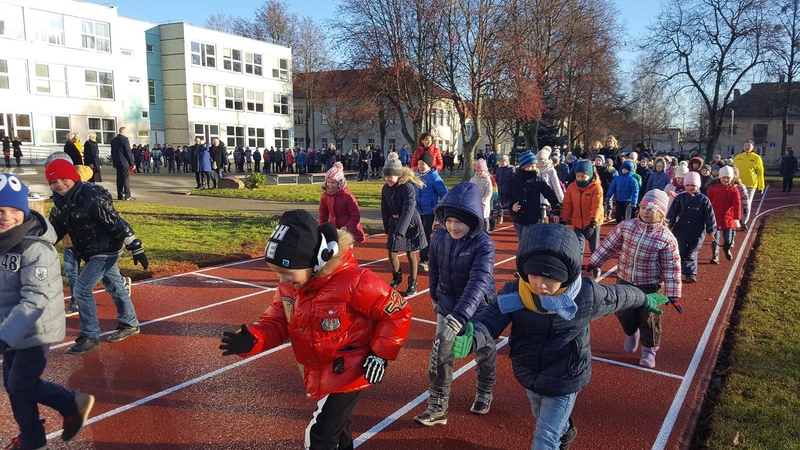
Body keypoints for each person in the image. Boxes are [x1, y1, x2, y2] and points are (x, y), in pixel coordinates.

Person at [465, 223, 670, 450]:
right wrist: (473, 336)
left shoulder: (586, 295)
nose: (540, 285)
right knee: (538, 411)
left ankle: (558, 435)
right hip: (528, 369)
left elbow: (619, 295)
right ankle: (566, 431)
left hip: (566, 375)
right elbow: (490, 318)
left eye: (550, 277)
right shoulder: (515, 293)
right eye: (534, 276)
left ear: (566, 275)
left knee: (544, 438)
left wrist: (643, 298)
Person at [219, 210, 411, 450]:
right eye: (278, 274)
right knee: (339, 432)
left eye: (287, 273)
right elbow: (277, 322)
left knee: (320, 435)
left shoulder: (354, 281)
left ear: (317, 259)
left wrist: (380, 353)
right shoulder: (291, 287)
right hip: (321, 368)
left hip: (351, 370)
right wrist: (254, 338)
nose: (283, 280)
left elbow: (397, 312)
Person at [0, 174, 97, 450]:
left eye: (14, 211)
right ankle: (32, 439)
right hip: (9, 326)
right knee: (14, 385)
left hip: (33, 328)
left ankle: (73, 403)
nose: (6, 218)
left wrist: (5, 336)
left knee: (21, 384)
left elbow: (36, 299)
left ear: (25, 211)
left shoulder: (35, 249)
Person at [413, 182, 497, 426]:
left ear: (472, 220)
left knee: (484, 351)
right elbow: (435, 272)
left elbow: (478, 282)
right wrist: (436, 300)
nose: (452, 226)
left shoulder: (483, 245)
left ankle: (484, 390)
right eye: (449, 221)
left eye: (458, 221)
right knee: (441, 352)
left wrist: (462, 315)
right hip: (449, 306)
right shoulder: (440, 236)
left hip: (478, 308)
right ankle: (438, 405)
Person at [46, 159, 147, 354]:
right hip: (89, 251)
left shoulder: (91, 197)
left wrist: (135, 245)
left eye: (63, 179)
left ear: (74, 178)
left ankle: (90, 335)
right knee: (115, 285)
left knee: (82, 289)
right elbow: (55, 228)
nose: (59, 184)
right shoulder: (59, 201)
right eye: (53, 181)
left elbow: (115, 221)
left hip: (106, 250)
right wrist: (40, 243)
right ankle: (130, 323)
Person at [588, 190, 682, 368]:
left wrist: (673, 294)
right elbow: (609, 245)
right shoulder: (626, 226)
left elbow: (672, 267)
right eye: (643, 207)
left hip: (650, 285)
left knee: (649, 317)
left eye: (651, 209)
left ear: (661, 213)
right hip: (625, 280)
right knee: (623, 312)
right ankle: (631, 333)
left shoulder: (665, 237)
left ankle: (649, 350)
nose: (646, 211)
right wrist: (594, 263)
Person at [381, 152, 427, 296]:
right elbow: (384, 208)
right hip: (395, 223)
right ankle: (397, 276)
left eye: (391, 176)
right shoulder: (386, 188)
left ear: (399, 175)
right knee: (391, 251)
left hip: (410, 225)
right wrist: (387, 226)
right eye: (386, 175)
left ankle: (412, 282)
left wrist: (400, 231)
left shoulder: (407, 188)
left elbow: (408, 211)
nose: (388, 178)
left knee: (411, 253)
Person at [667, 171, 717, 284]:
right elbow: (672, 213)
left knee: (692, 252)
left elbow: (709, 216)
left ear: (698, 186)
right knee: (681, 250)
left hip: (697, 230)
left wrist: (711, 230)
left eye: (693, 186)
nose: (690, 188)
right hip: (681, 229)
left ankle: (690, 273)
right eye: (688, 185)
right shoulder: (680, 198)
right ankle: (678, 270)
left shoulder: (703, 200)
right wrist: (668, 225)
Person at [502, 151, 561, 241]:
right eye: (530, 166)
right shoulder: (513, 180)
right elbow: (506, 196)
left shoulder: (538, 181)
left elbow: (550, 194)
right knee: (522, 242)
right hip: (518, 218)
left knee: (529, 243)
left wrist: (556, 210)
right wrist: (511, 204)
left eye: (534, 166)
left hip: (533, 218)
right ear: (523, 166)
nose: (533, 169)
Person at [561, 160, 604, 278]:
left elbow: (597, 206)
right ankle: (577, 269)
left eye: (583, 176)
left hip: (592, 223)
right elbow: (567, 205)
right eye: (578, 176)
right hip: (578, 222)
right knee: (578, 247)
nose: (580, 179)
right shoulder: (572, 187)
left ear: (589, 175)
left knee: (594, 247)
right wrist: (563, 220)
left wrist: (593, 223)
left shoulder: (596, 188)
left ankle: (596, 266)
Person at [414, 152, 447, 272]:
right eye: (419, 164)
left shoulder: (434, 177)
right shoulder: (415, 176)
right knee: (418, 235)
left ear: (429, 165)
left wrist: (440, 208)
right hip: (417, 211)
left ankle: (424, 259)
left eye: (423, 164)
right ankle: (428, 254)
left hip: (429, 211)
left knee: (425, 234)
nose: (421, 166)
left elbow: (444, 194)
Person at [318, 162, 366, 244]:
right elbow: (323, 214)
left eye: (333, 183)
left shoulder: (347, 197)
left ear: (339, 183)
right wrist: (321, 228)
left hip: (349, 231)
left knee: (347, 252)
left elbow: (355, 215)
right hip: (335, 229)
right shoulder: (325, 196)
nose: (330, 185)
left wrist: (347, 227)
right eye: (328, 182)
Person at [706, 166, 742, 263]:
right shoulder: (712, 188)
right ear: (719, 177)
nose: (726, 180)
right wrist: (706, 216)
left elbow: (737, 204)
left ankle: (726, 249)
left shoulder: (734, 190)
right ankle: (715, 256)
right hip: (715, 218)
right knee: (715, 238)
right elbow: (707, 203)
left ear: (731, 179)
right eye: (723, 178)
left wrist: (737, 218)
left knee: (728, 239)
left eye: (728, 178)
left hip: (728, 218)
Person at [732, 140, 764, 225]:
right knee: (736, 202)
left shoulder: (757, 158)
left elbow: (760, 173)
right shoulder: (738, 157)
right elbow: (733, 171)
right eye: (745, 145)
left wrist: (761, 186)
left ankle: (743, 222)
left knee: (746, 204)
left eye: (749, 146)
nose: (747, 147)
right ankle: (736, 219)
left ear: (753, 147)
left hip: (750, 185)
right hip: (737, 184)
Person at [110, 127, 135, 201]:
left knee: (119, 179)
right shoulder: (125, 139)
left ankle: (119, 195)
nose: (127, 134)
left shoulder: (113, 140)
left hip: (117, 162)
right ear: (123, 131)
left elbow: (113, 152)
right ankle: (127, 195)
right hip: (125, 162)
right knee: (126, 179)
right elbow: (128, 152)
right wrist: (132, 163)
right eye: (126, 132)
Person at [470, 159, 493, 231]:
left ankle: (486, 232)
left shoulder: (487, 180)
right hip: (475, 203)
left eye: (481, 170)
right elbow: (470, 190)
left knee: (485, 217)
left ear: (485, 170)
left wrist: (484, 202)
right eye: (477, 170)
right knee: (476, 219)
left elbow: (489, 192)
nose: (479, 172)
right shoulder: (473, 179)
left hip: (483, 203)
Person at [494, 155, 514, 224]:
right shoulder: (499, 169)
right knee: (499, 205)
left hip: (508, 190)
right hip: (500, 190)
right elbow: (497, 179)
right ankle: (500, 216)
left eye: (503, 161)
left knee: (509, 204)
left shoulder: (511, 169)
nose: (502, 163)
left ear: (507, 161)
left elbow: (512, 180)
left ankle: (513, 215)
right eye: (501, 161)